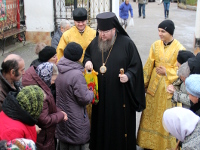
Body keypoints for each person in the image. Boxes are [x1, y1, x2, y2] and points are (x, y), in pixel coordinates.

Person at [83, 12, 146, 150]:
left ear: (114, 29)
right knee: (100, 125)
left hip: (119, 96)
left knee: (117, 127)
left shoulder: (127, 43)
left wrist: (128, 76)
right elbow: (87, 55)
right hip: (101, 97)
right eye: (100, 31)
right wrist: (87, 62)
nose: (102, 35)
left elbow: (136, 67)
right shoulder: (96, 42)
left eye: (105, 31)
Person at [137, 19, 185, 150]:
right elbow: (148, 66)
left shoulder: (180, 49)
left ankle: (166, 146)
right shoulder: (155, 45)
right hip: (154, 87)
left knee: (167, 116)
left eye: (163, 31)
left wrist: (167, 71)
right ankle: (148, 143)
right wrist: (143, 84)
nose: (160, 34)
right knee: (151, 115)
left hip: (168, 90)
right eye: (158, 31)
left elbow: (183, 71)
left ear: (170, 32)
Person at [56, 42, 94, 150]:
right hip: (75, 118)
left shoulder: (59, 68)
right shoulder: (76, 74)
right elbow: (84, 98)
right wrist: (91, 92)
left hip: (62, 115)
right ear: (79, 57)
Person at [22, 62, 68, 150]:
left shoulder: (41, 85)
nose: (52, 83)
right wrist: (61, 115)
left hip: (45, 137)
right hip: (42, 137)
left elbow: (48, 107)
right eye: (52, 80)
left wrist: (58, 111)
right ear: (46, 77)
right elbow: (44, 120)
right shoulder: (40, 93)